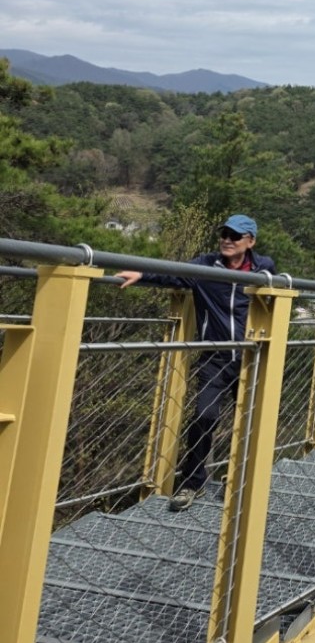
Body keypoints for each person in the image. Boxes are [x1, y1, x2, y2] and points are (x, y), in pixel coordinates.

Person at [118, 214, 277, 511]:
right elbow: (173, 274)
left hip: (251, 358)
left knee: (253, 422)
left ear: (250, 242)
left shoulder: (263, 268)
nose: (227, 240)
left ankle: (244, 481)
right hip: (214, 357)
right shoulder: (205, 266)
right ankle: (193, 482)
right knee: (204, 416)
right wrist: (141, 274)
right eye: (224, 234)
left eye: (235, 235)